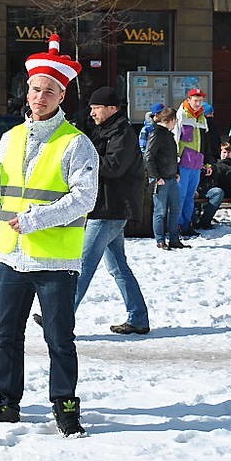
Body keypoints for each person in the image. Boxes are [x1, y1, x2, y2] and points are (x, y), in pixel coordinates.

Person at [0, 34, 98, 438]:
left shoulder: (76, 143)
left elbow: (86, 198)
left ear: (62, 96)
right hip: (11, 256)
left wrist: (36, 220)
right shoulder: (10, 138)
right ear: (25, 92)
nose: (39, 97)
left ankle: (64, 405)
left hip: (54, 261)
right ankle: (5, 400)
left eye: (49, 91)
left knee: (60, 338)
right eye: (34, 89)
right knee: (6, 334)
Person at [73, 86, 149, 335]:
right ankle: (138, 318)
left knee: (83, 264)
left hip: (111, 208)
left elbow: (113, 167)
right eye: (92, 107)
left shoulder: (123, 134)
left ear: (111, 109)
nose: (92, 112)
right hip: (107, 206)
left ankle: (60, 315)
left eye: (97, 108)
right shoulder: (106, 130)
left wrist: (84, 160)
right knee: (118, 267)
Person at [146, 107, 187, 249]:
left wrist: (176, 171)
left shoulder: (168, 134)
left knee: (175, 209)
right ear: (171, 120)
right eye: (175, 121)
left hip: (171, 177)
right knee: (160, 211)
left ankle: (174, 239)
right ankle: (160, 240)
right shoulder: (156, 133)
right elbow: (149, 157)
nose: (175, 124)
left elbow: (171, 156)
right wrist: (156, 177)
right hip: (161, 179)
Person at [176, 88, 214, 236]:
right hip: (183, 162)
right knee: (180, 196)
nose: (198, 103)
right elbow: (175, 138)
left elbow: (206, 143)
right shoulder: (181, 114)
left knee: (190, 196)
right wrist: (175, 162)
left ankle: (187, 225)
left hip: (197, 163)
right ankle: (177, 226)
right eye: (195, 100)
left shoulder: (202, 118)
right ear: (189, 99)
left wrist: (208, 162)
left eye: (200, 101)